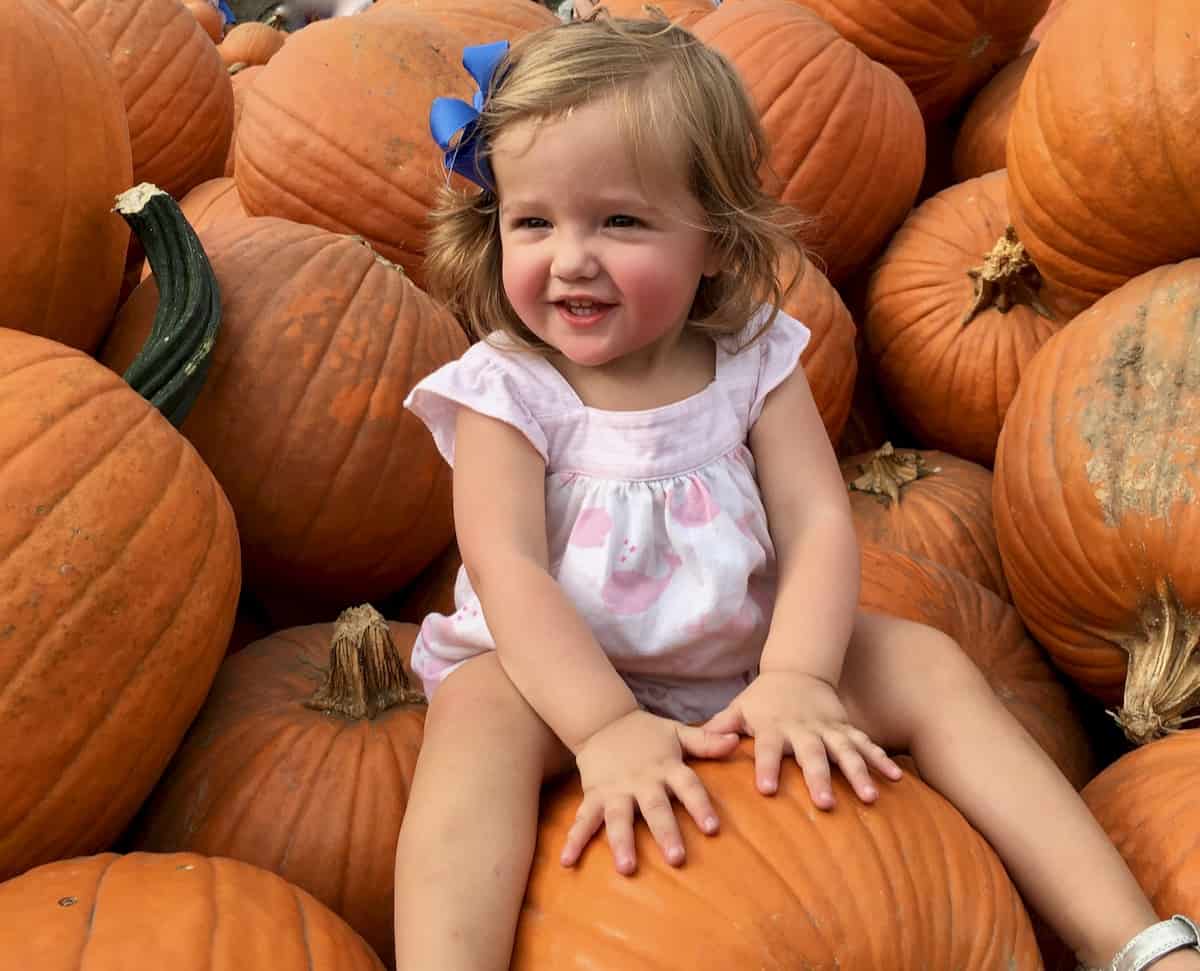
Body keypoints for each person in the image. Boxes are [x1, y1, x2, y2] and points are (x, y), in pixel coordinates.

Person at [393, 14, 1200, 971]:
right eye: (534, 221)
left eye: (619, 220)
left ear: (719, 241)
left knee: (933, 666)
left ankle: (1138, 941)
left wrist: (802, 675)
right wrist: (603, 725)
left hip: (752, 652)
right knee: (473, 721)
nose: (570, 257)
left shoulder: (751, 360)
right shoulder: (505, 390)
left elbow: (818, 520)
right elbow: (509, 567)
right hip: (556, 678)